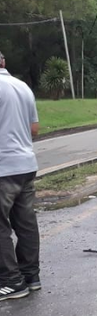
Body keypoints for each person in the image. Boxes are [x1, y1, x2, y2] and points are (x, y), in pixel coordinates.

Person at [0, 50, 40, 301]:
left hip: (3, 168)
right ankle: (30, 276)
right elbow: (34, 129)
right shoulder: (22, 86)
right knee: (26, 224)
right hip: (26, 165)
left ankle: (10, 281)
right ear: (3, 61)